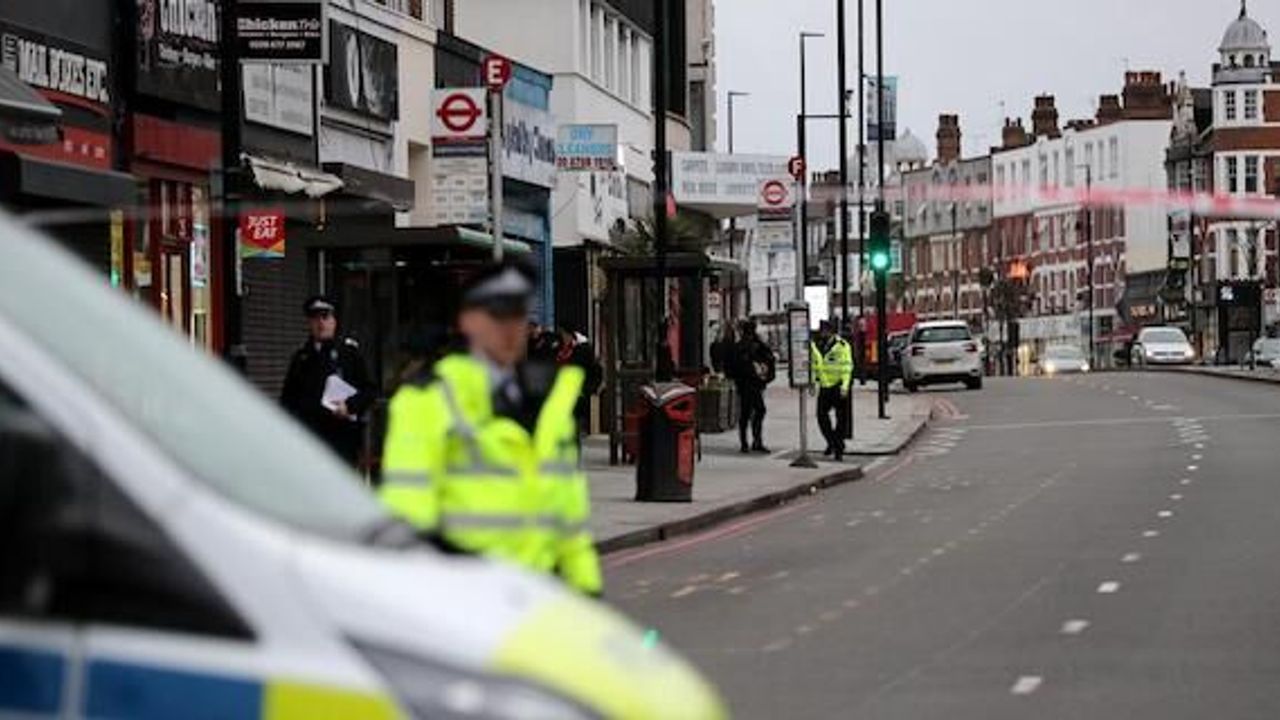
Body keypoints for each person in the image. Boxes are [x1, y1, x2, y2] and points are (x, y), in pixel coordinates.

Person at [379, 261, 602, 596]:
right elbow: (408, 510)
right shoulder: (427, 400)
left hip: (539, 599)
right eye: (498, 317)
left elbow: (569, 516)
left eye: (518, 317)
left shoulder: (549, 399)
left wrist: (587, 588)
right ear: (469, 322)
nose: (511, 330)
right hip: (465, 597)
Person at [280, 295, 374, 468]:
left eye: (325, 317)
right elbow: (288, 401)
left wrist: (350, 406)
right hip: (310, 442)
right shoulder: (301, 358)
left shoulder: (348, 355)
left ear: (334, 321)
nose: (320, 323)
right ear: (309, 323)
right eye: (315, 318)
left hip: (342, 439)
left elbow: (369, 391)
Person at [728, 319, 775, 454]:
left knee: (747, 413)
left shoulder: (743, 345)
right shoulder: (752, 345)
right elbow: (768, 357)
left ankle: (748, 442)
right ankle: (754, 441)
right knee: (756, 411)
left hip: (746, 385)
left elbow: (732, 366)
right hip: (752, 384)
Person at [811, 320, 854, 461]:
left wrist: (845, 386)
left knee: (841, 420)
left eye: (825, 331)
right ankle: (833, 442)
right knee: (821, 416)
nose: (823, 333)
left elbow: (847, 367)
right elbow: (813, 365)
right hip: (824, 387)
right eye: (822, 330)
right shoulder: (815, 345)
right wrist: (812, 382)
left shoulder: (842, 346)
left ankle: (837, 448)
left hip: (838, 386)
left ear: (831, 332)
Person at [555, 325, 604, 434]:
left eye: (565, 336)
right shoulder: (560, 349)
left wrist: (591, 388)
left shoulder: (583, 349)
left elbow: (595, 369)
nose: (563, 339)